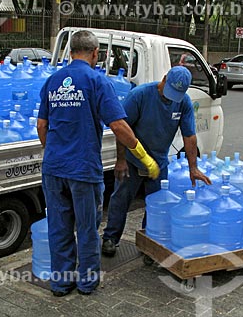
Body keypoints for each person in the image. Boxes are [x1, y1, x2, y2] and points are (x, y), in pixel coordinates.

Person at [37, 30, 160, 297]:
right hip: (83, 169)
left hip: (54, 169)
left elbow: (42, 125)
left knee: (58, 228)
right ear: (95, 54)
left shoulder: (52, 81)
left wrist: (55, 152)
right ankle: (86, 283)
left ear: (70, 52)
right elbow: (118, 125)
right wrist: (143, 155)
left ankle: (60, 284)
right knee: (87, 228)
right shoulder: (97, 81)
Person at [102, 66, 211, 257]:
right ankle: (110, 238)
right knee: (120, 199)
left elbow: (189, 136)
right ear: (164, 79)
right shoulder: (140, 95)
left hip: (159, 162)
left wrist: (193, 168)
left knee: (157, 204)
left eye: (176, 95)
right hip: (132, 160)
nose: (171, 98)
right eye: (170, 92)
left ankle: (149, 241)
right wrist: (120, 160)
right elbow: (121, 128)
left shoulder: (183, 102)